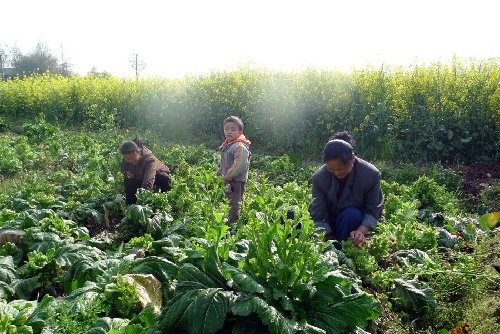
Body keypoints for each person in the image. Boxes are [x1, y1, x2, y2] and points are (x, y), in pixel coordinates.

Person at [309, 131, 383, 248]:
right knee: (291, 214)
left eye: (340, 169)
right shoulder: (319, 178)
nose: (336, 173)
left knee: (351, 215)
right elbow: (319, 215)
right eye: (331, 169)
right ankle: (336, 250)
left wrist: (360, 231)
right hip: (329, 221)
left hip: (352, 223)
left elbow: (373, 210)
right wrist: (327, 241)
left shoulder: (371, 174)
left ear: (353, 158)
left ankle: (345, 248)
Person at [217, 116, 251, 224]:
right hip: (229, 179)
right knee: (228, 199)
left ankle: (233, 222)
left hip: (236, 181)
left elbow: (240, 164)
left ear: (240, 131)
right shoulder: (228, 145)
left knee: (235, 202)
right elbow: (226, 161)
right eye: (226, 129)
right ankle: (229, 218)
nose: (229, 132)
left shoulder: (239, 146)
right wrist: (220, 170)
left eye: (233, 129)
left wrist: (229, 175)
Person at [120, 139, 171, 205]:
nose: (130, 161)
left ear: (138, 152)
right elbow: (123, 169)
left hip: (156, 174)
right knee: (128, 181)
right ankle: (130, 206)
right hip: (139, 176)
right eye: (127, 159)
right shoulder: (126, 156)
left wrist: (142, 198)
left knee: (164, 178)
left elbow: (149, 179)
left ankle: (165, 202)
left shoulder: (149, 159)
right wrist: (127, 173)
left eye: (132, 159)